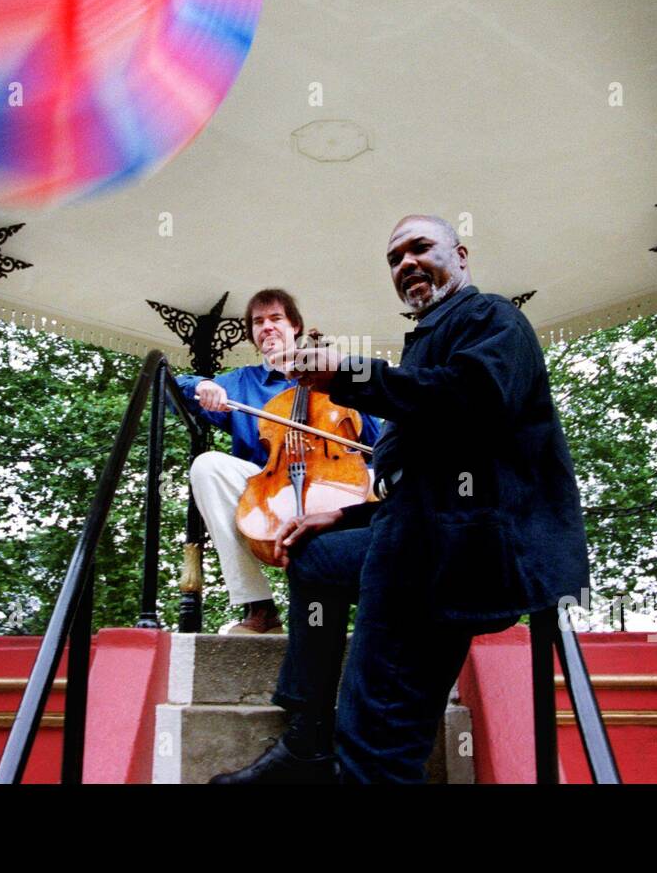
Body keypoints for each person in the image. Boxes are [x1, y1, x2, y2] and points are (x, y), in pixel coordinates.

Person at [209, 215, 590, 783]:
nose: (406, 263)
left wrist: (352, 373)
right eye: (395, 258)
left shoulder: (491, 317)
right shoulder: (430, 340)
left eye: (421, 248)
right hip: (412, 535)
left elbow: (471, 397)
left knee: (377, 740)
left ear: (460, 257)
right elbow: (427, 475)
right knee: (311, 555)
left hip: (448, 556)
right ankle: (308, 735)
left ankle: (345, 751)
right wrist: (344, 512)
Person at [176, 288, 382, 634]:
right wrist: (202, 386)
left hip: (336, 483)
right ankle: (259, 608)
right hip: (270, 488)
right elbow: (175, 387)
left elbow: (376, 442)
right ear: (252, 335)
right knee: (207, 466)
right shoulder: (242, 382)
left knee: (390, 480)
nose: (267, 327)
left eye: (276, 319)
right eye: (258, 322)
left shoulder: (334, 375)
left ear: (296, 327)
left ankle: (390, 602)